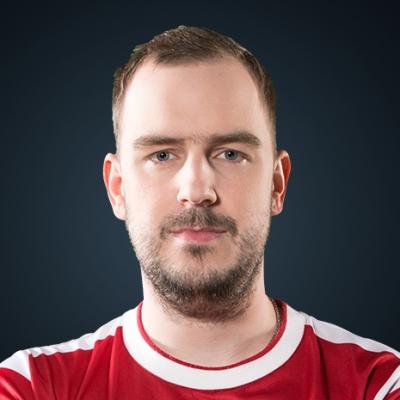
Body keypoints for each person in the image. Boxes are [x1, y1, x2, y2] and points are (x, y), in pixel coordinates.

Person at [1, 25, 399, 400]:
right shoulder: (32, 386)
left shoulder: (377, 383)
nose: (196, 191)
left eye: (230, 154)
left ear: (276, 184)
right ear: (117, 188)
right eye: (162, 155)